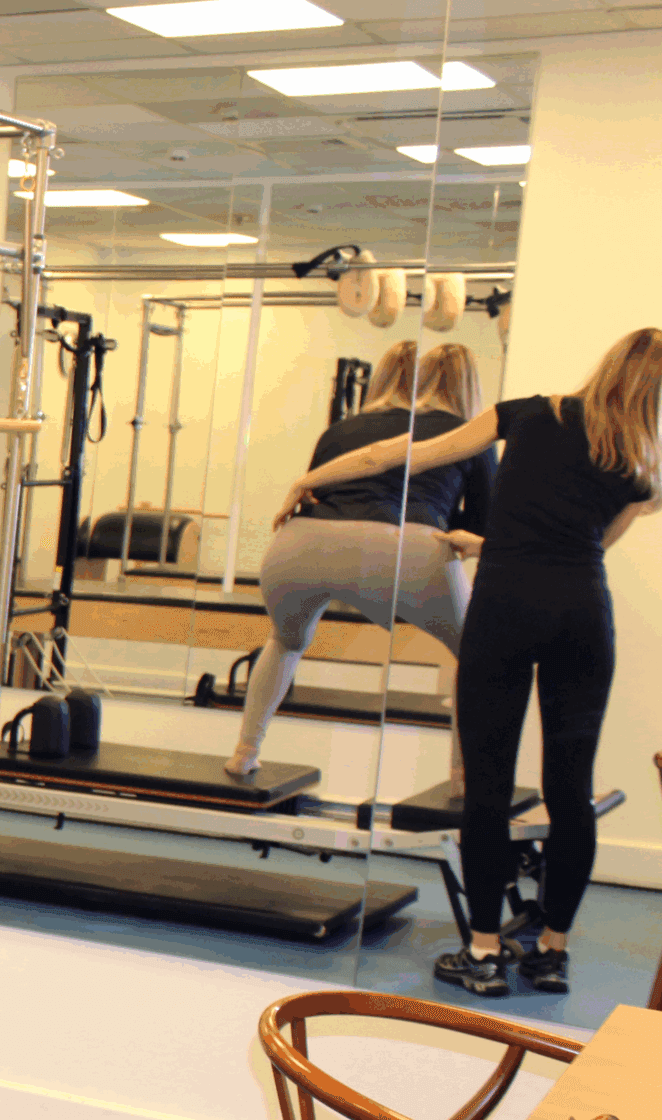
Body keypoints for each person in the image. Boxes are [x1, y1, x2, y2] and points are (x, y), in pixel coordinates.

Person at [278, 326, 662, 998]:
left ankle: (483, 951)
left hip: (506, 609)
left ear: (609, 364)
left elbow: (398, 455)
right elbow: (584, 545)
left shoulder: (527, 413)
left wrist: (308, 479)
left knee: (487, 785)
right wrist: (484, 542)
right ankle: (552, 953)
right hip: (581, 616)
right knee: (571, 790)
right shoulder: (644, 468)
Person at [226, 340, 493, 781]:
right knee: (477, 657)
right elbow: (485, 522)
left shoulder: (339, 431)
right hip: (407, 545)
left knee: (286, 642)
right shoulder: (468, 434)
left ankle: (244, 752)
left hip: (301, 544)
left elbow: (317, 493)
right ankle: (464, 780)